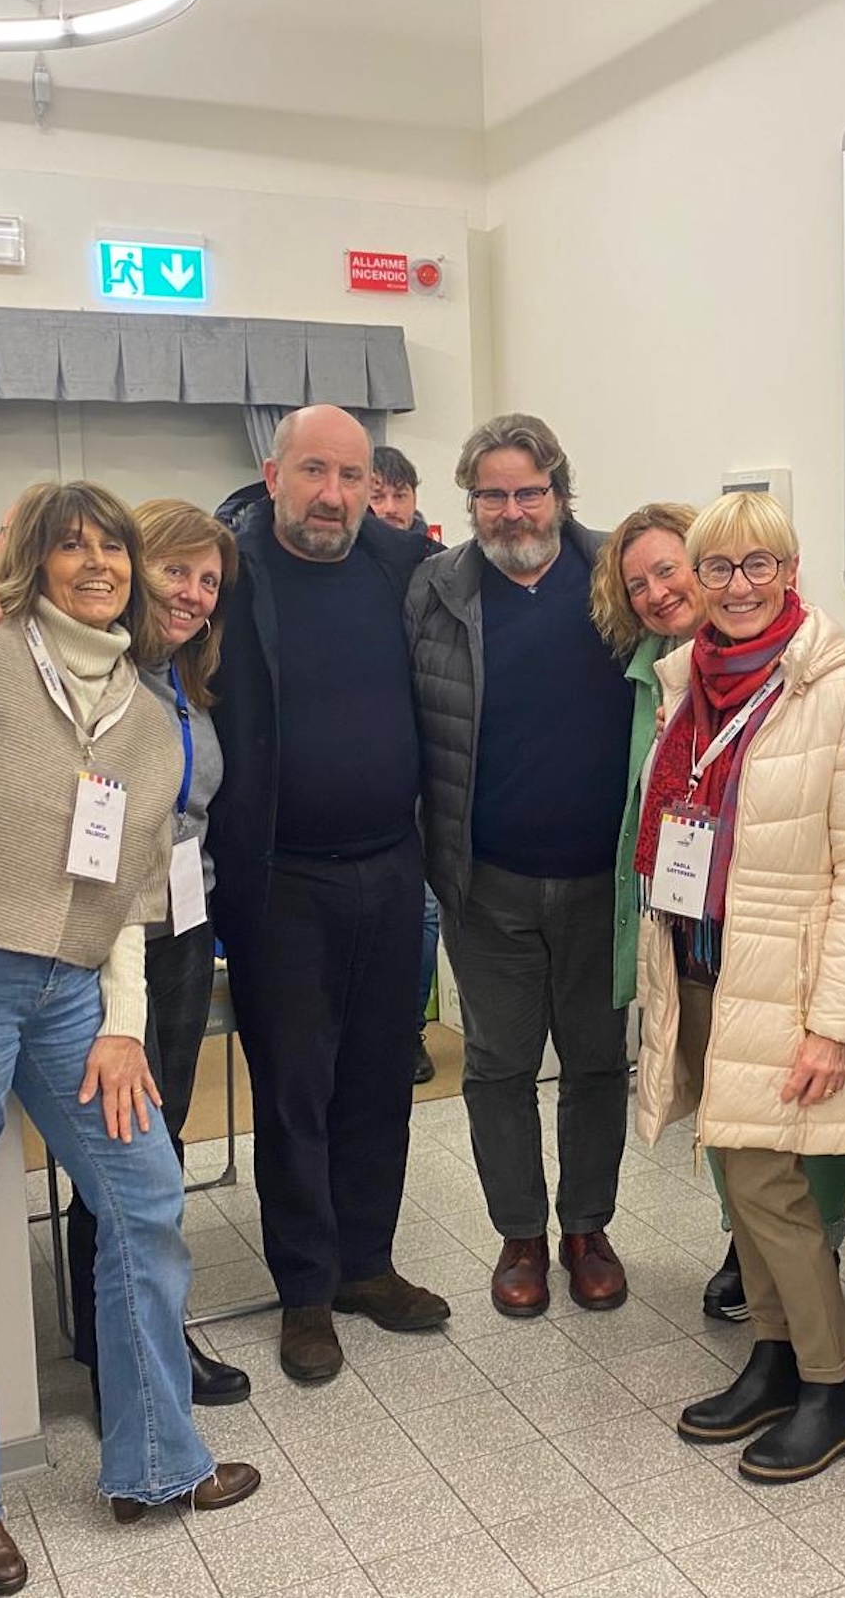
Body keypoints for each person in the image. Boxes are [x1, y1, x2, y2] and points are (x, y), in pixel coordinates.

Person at [0, 482, 259, 1593]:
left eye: (113, 547)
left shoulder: (147, 717)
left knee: (144, 1198)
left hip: (74, 994)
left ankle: (153, 1463)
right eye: (72, 545)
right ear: (32, 559)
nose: (97, 563)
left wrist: (124, 1029)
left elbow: (135, 889)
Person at [633, 491, 845, 1484]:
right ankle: (775, 1356)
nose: (738, 585)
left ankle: (833, 1387)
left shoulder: (843, 694)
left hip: (789, 983)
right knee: (734, 1171)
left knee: (767, 1184)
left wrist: (835, 1024)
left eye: (759, 564)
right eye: (718, 566)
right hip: (706, 963)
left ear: (792, 572)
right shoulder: (688, 685)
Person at [208, 405, 449, 1385]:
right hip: (280, 878)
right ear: (274, 475)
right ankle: (306, 1289)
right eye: (314, 471)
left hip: (392, 867)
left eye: (352, 476)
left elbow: (533, 549)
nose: (334, 494)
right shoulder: (228, 569)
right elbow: (100, 576)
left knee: (381, 1076)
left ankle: (367, 1263)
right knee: (295, 1089)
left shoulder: (401, 563)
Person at [595, 501, 845, 1326]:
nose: (658, 591)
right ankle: (766, 1317)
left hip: (779, 957)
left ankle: (821, 1338)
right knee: (732, 1144)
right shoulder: (676, 681)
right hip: (695, 945)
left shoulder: (827, 681)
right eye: (639, 583)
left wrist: (835, 1011)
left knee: (783, 1162)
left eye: (668, 569)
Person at [408, 413, 635, 1317]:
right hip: (486, 880)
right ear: (471, 503)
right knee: (499, 1067)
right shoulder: (435, 589)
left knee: (596, 1062)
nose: (511, 511)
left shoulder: (617, 574)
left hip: (604, 881)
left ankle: (586, 1228)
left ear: (560, 492)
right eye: (491, 495)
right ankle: (521, 1236)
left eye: (527, 492)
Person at [58, 501, 250, 1415]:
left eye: (209, 581)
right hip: (106, 935)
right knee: (119, 1149)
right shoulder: (93, 670)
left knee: (158, 1139)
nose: (194, 594)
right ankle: (123, 1358)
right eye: (177, 570)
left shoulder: (183, 679)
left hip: (181, 926)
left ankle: (139, 1332)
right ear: (135, 566)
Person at [369, 443, 446, 1084]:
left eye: (401, 494)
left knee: (424, 914)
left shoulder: (440, 568)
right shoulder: (341, 565)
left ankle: (407, 1028)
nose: (390, 507)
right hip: (371, 763)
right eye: (378, 495)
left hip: (434, 759)